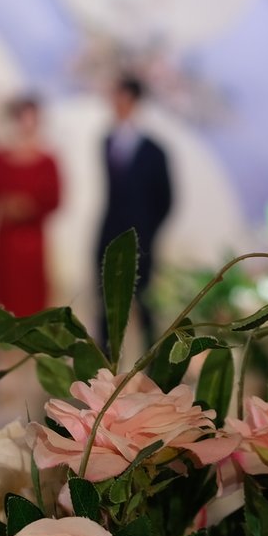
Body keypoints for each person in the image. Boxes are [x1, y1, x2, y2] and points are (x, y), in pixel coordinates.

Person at [97, 73, 172, 349]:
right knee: (106, 302)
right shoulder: (107, 141)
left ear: (135, 101)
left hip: (142, 238)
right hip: (109, 234)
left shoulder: (154, 150)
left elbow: (166, 199)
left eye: (123, 98)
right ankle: (104, 363)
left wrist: (148, 231)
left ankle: (152, 363)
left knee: (145, 302)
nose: (118, 104)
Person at [0, 94, 62, 318]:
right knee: (3, 302)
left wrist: (28, 208)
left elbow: (55, 200)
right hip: (4, 241)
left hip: (33, 241)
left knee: (31, 302)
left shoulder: (47, 161)